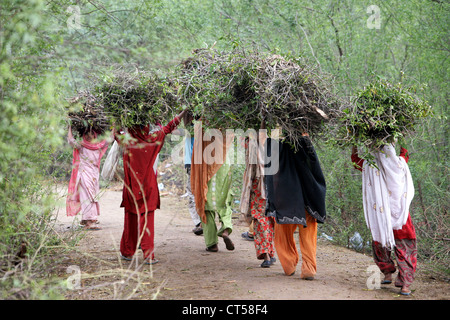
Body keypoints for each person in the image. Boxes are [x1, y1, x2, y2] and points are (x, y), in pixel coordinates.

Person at [117, 109, 188, 265]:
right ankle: (149, 256)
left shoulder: (126, 140)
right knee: (147, 220)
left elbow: (114, 129)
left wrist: (119, 115)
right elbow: (169, 127)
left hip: (131, 186)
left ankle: (127, 252)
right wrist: (183, 112)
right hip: (148, 187)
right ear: (146, 127)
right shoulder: (154, 139)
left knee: (130, 218)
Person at [351, 144, 417, 296]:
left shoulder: (370, 165)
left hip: (381, 218)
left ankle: (387, 274)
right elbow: (405, 153)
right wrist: (401, 140)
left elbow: (355, 161)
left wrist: (354, 144)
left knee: (381, 244)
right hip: (401, 218)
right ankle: (405, 285)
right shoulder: (400, 163)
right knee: (405, 249)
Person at [265, 134, 326, 279]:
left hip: (285, 197)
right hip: (306, 196)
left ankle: (288, 265)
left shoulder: (274, 142)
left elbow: (270, 172)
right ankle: (309, 268)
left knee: (282, 233)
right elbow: (314, 168)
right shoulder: (304, 142)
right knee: (308, 233)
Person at [191, 122, 235, 252]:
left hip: (204, 166)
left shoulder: (201, 124)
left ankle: (212, 243)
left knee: (204, 200)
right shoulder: (227, 121)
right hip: (223, 165)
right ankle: (226, 228)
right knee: (224, 199)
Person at [240, 129, 275, 268]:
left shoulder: (254, 142)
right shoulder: (273, 140)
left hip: (259, 186)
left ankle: (266, 254)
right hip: (271, 184)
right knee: (268, 218)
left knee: (261, 219)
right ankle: (270, 253)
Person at [66, 126, 109, 230]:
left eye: (91, 134)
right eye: (87, 134)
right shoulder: (81, 146)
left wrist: (114, 126)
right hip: (84, 175)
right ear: (84, 136)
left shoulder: (99, 145)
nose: (89, 136)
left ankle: (89, 219)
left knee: (93, 197)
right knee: (86, 197)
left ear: (95, 135)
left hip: (94, 175)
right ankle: (89, 221)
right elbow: (71, 140)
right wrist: (70, 127)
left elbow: (109, 139)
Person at [172, 111, 203, 235]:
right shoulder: (203, 128)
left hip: (192, 164)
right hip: (201, 163)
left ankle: (199, 223)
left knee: (192, 193)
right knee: (199, 192)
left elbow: (172, 130)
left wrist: (181, 114)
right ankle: (202, 222)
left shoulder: (191, 128)